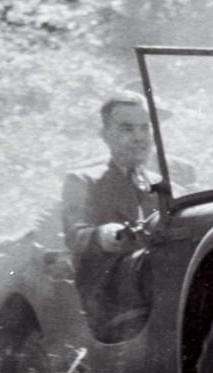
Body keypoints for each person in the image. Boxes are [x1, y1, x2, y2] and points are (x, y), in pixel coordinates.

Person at [61, 90, 159, 343]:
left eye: (145, 128)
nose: (139, 137)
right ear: (105, 135)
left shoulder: (162, 186)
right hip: (109, 297)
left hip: (157, 294)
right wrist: (103, 235)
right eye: (127, 129)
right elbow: (75, 234)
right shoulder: (84, 181)